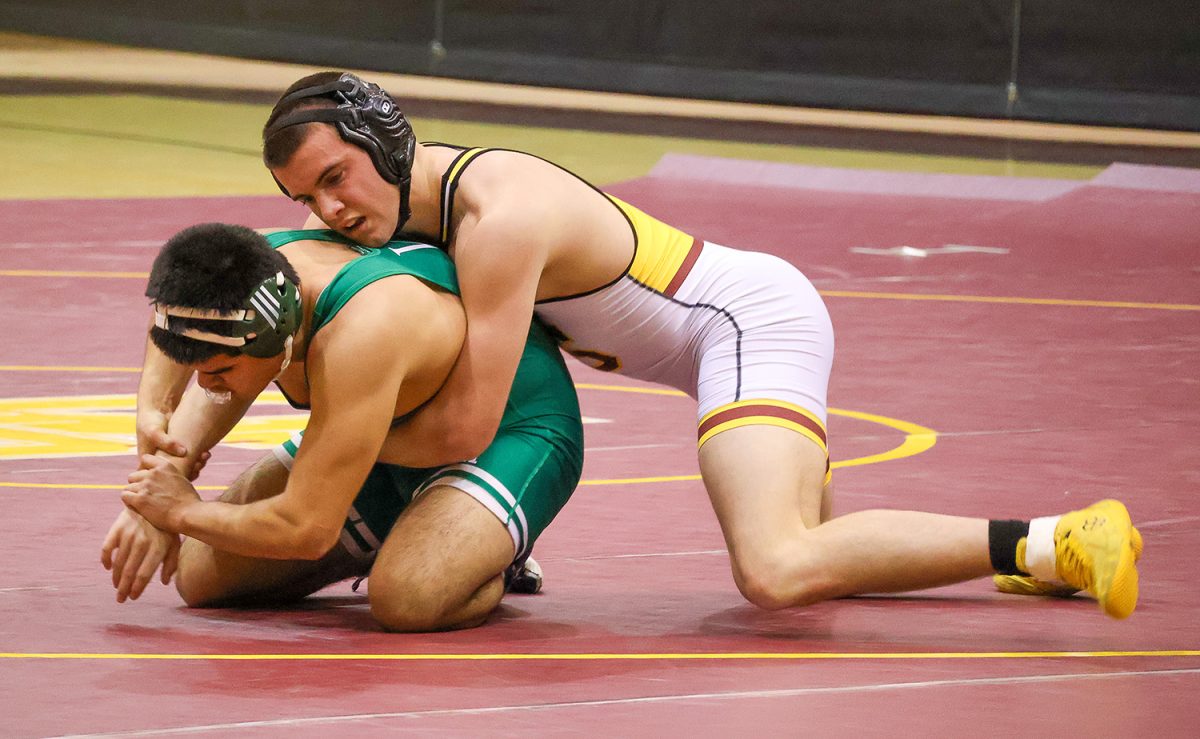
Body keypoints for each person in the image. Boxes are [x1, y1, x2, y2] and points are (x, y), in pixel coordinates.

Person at [248, 70, 1146, 620]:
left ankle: (1063, 537)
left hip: (745, 325)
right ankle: (1037, 561)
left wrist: (335, 446)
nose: (328, 210)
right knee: (824, 554)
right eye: (305, 197)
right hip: (710, 334)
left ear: (383, 143)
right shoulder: (414, 200)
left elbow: (469, 422)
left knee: (777, 566)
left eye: (335, 177)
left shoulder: (494, 219)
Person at [111, 222, 583, 631]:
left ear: (276, 341)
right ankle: (403, 530)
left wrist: (176, 512)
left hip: (510, 432)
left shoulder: (363, 333)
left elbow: (306, 528)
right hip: (386, 433)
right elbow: (176, 344)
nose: (207, 385)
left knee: (409, 599)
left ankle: (496, 556)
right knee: (200, 577)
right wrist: (155, 463)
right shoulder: (242, 277)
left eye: (220, 372)